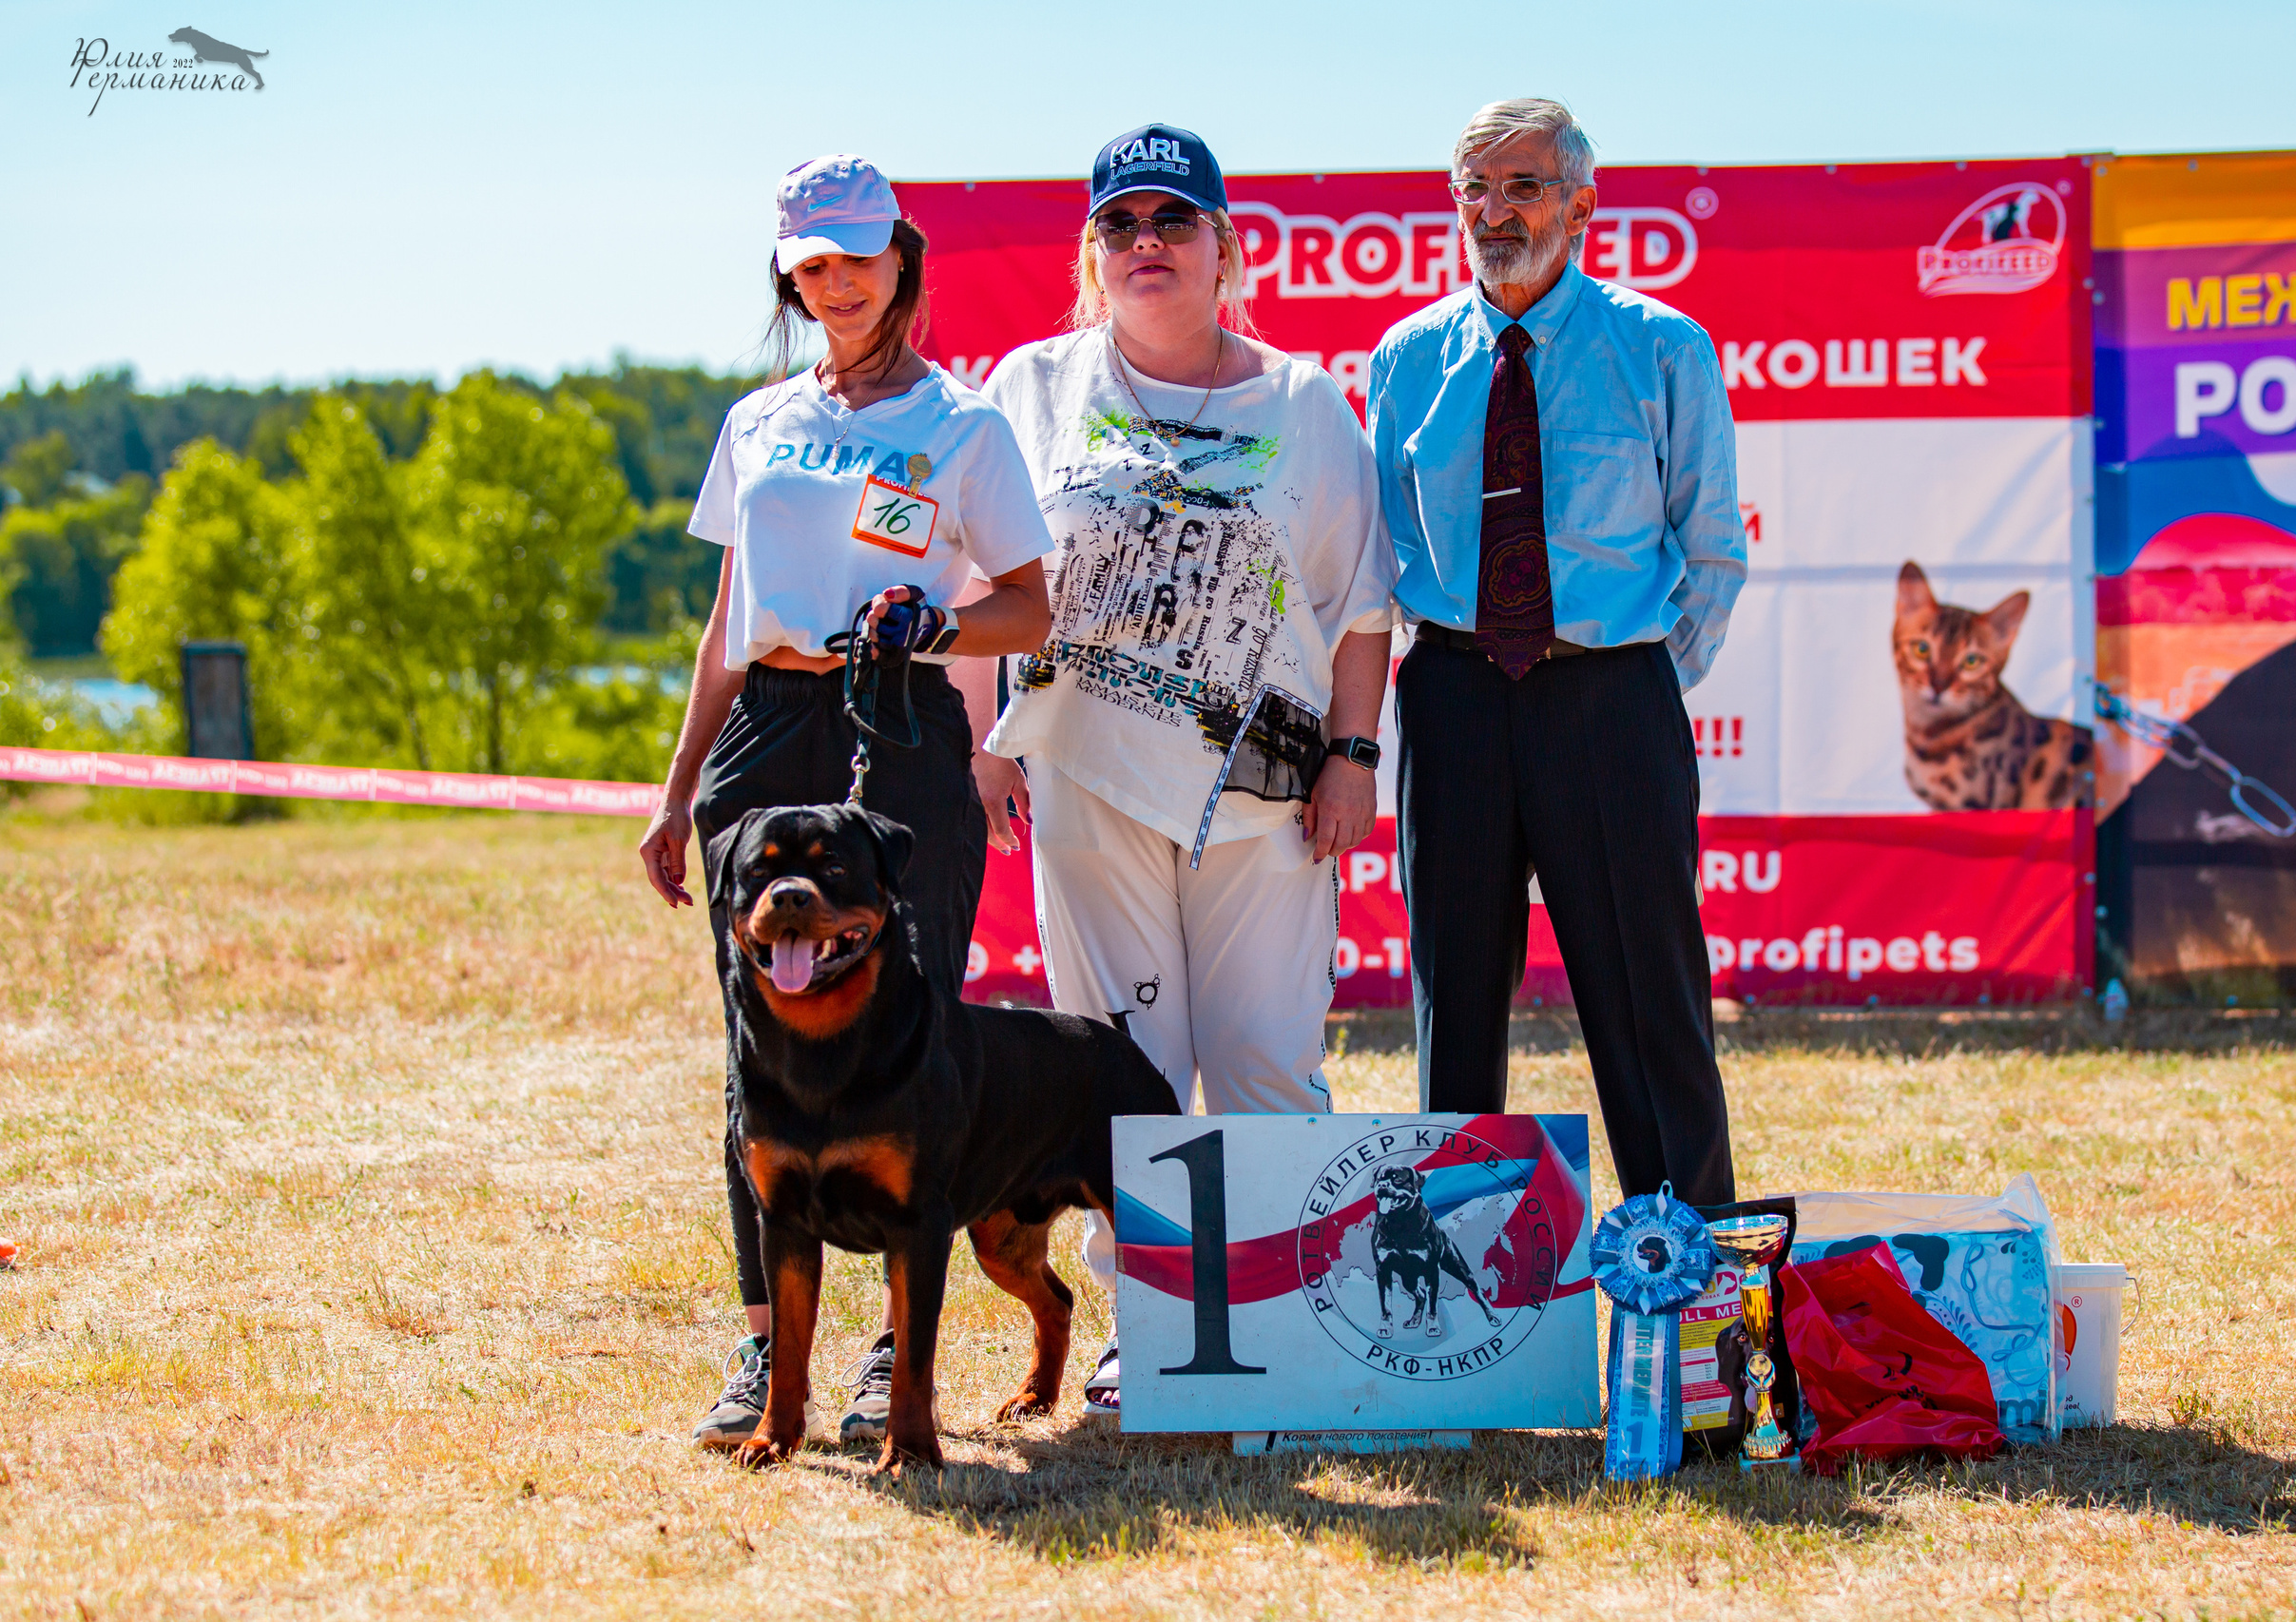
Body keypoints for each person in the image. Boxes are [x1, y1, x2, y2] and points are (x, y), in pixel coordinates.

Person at [974, 124, 1396, 1422]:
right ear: (1090, 255)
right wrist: (984, 741)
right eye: (1119, 225)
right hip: (1092, 782)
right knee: (1123, 1063)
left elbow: (1361, 610)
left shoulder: (1306, 404)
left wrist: (1353, 757)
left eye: (1172, 220)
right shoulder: (1029, 386)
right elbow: (979, 579)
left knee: (1266, 1061)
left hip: (1266, 790)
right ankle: (1151, 1333)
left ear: (1228, 249)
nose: (1144, 244)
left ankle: (1273, 1330)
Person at [636, 154, 1053, 1451]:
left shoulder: (965, 422)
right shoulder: (756, 419)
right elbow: (725, 617)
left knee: (903, 1040)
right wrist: (675, 790)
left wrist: (939, 620)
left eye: (856, 259)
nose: (836, 284)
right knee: (758, 1050)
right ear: (790, 274)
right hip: (764, 729)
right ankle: (768, 1351)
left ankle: (892, 1349)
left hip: (897, 716)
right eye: (811, 265)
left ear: (902, 258)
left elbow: (1032, 604)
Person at [1366, 99, 1745, 1205]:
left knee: (1649, 1005)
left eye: (1522, 187)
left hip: (1608, 699)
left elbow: (1711, 549)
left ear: (1581, 204)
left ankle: (1696, 1295)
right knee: (1455, 1005)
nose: (1493, 212)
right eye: (1473, 189)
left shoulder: (1662, 345)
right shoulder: (1405, 356)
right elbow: (1379, 546)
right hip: (1452, 699)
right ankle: (1455, 1311)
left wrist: (1638, 679)